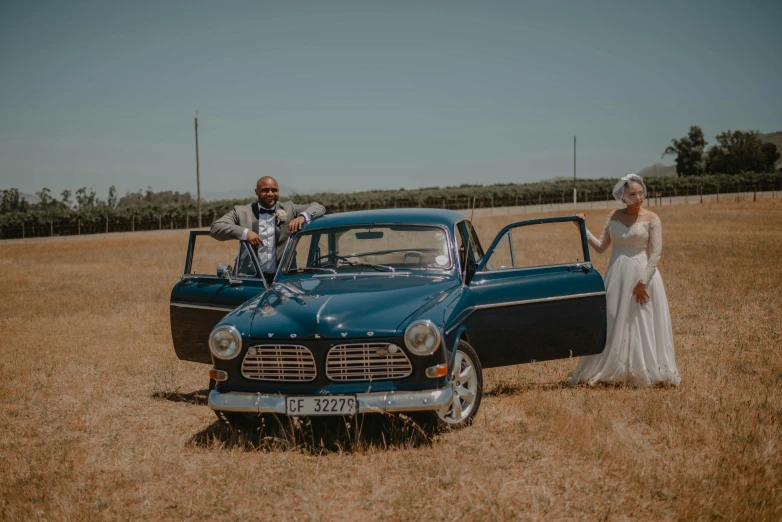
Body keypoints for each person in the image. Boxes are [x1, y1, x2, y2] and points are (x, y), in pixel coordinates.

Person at [568, 174, 680, 386]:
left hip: (643, 276)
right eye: (633, 194)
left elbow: (656, 253)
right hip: (617, 274)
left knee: (642, 320)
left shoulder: (652, 218)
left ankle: (645, 370)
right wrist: (582, 228)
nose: (638, 198)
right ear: (623, 196)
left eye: (641, 193)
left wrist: (642, 282)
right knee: (614, 317)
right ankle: (613, 367)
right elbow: (601, 246)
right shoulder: (614, 216)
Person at [210, 176, 326, 284]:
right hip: (249, 279)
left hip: (283, 279)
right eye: (265, 190)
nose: (270, 194)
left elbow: (318, 207)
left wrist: (303, 217)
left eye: (274, 190)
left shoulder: (289, 208)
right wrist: (245, 233)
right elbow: (216, 227)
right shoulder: (241, 212)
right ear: (256, 192)